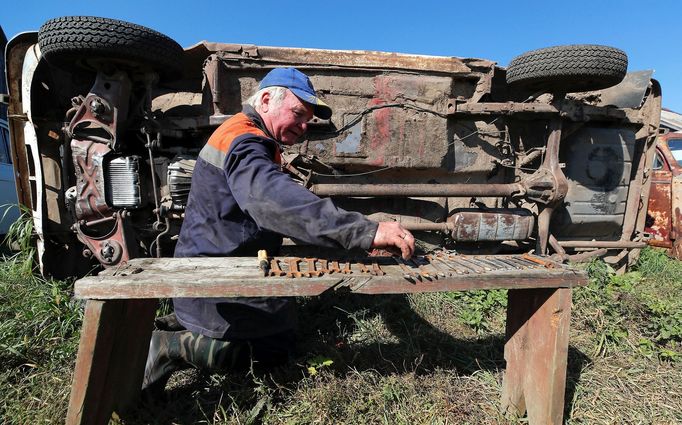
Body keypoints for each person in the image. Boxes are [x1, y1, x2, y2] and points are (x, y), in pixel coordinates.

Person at [143, 67, 415, 391]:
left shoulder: (242, 132)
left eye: (307, 120)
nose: (303, 127)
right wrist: (366, 231)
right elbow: (276, 203)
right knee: (275, 350)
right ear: (267, 99)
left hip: (220, 260)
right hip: (214, 272)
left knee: (283, 325)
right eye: (298, 114)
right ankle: (169, 347)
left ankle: (180, 321)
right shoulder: (244, 141)